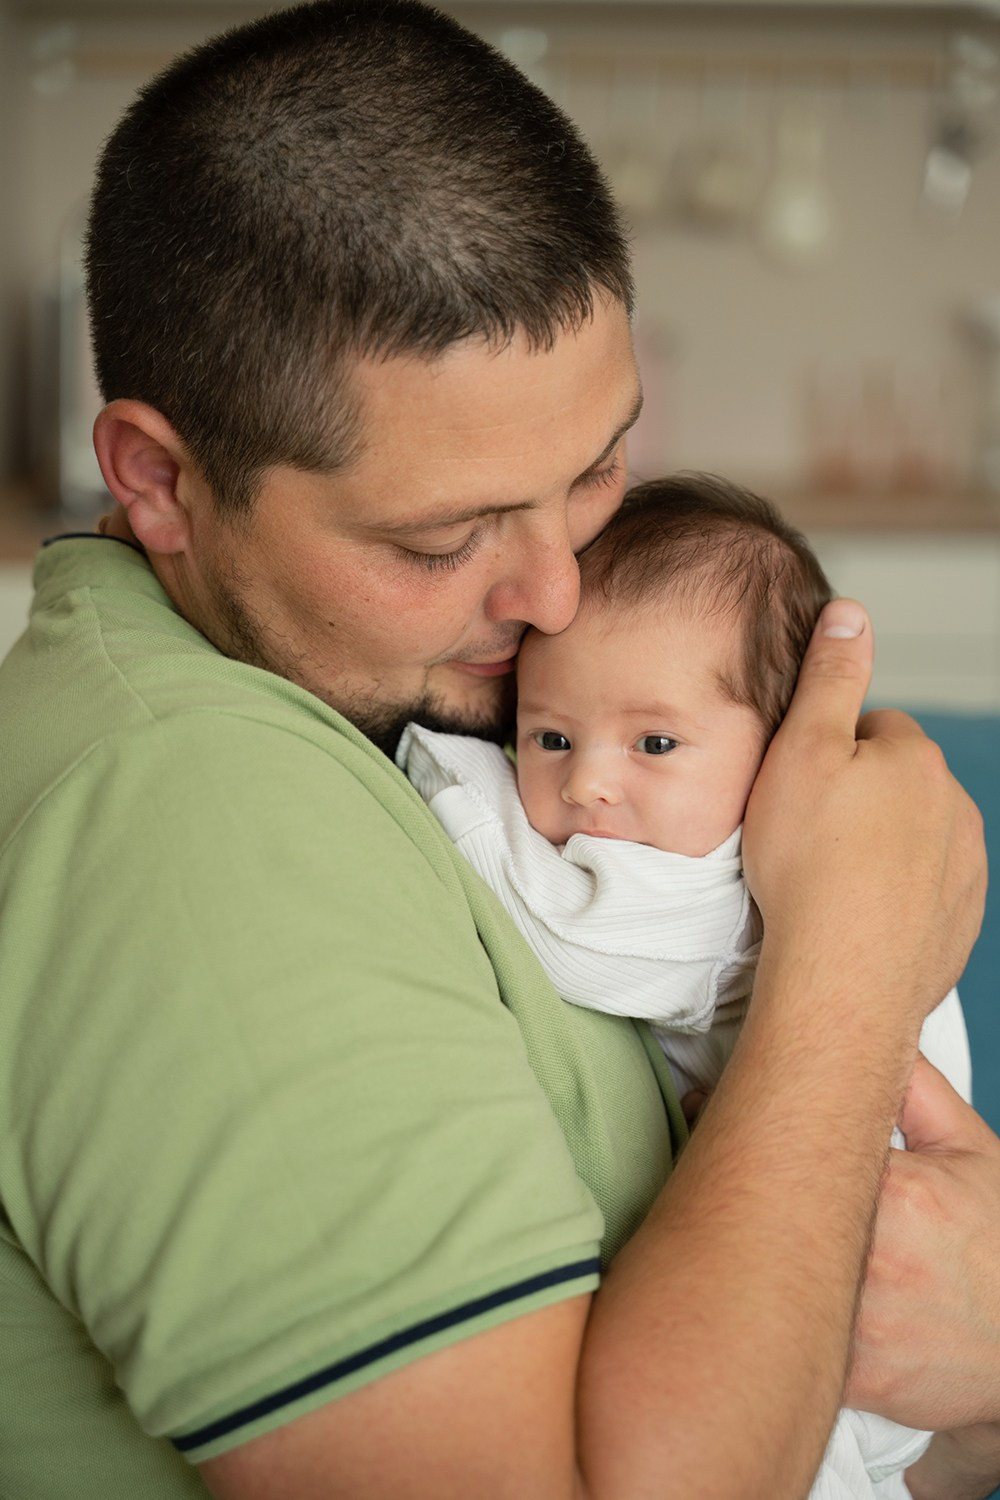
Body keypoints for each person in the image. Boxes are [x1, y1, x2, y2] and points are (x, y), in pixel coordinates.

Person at [0, 3, 996, 1498]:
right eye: (443, 538)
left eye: (595, 472)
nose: (558, 597)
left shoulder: (379, 724)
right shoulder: (197, 823)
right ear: (158, 481)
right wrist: (850, 962)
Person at [399, 472, 973, 1500]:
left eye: (653, 743)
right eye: (548, 737)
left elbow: (578, 941)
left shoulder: (721, 893)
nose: (586, 783)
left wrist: (456, 788)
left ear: (787, 750)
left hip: (844, 1325)